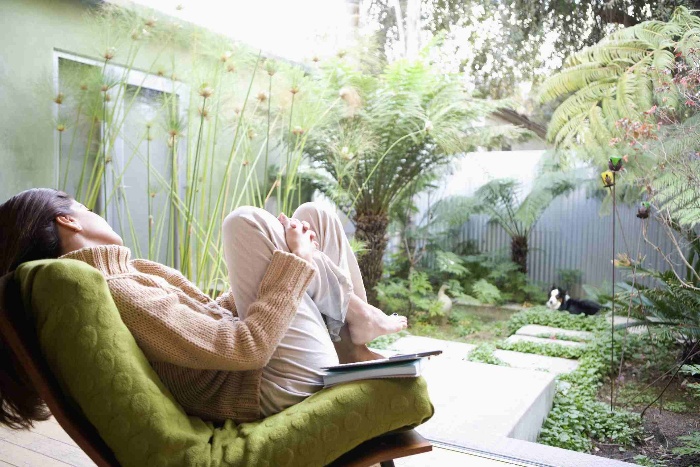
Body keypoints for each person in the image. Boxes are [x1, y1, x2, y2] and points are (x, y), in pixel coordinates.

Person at [0, 188, 407, 428]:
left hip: (266, 368)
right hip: (268, 386)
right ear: (67, 221)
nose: (95, 212)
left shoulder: (133, 272)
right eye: (86, 208)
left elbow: (214, 321)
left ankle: (353, 340)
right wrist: (295, 261)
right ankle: (359, 322)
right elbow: (244, 348)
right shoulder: (119, 290)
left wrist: (277, 259)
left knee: (314, 215)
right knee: (243, 222)